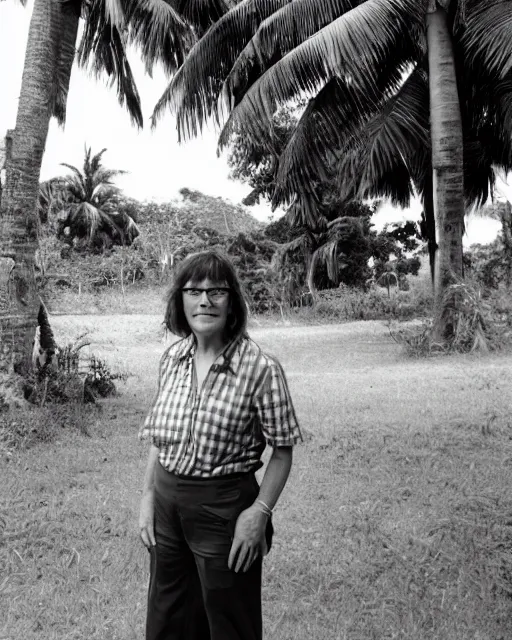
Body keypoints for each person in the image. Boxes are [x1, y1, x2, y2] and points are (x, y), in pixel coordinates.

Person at [138, 249, 301, 640]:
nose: (205, 301)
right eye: (194, 291)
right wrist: (147, 495)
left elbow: (282, 450)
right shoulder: (173, 359)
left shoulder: (260, 368)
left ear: (233, 302)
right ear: (181, 300)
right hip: (166, 503)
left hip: (225, 507)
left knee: (230, 620)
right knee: (168, 612)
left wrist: (259, 512)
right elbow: (161, 438)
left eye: (217, 291)